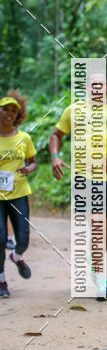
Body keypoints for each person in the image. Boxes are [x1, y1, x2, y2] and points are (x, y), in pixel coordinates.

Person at [49, 76, 107, 300]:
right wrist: (54, 156)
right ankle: (101, 279)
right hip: (85, 177)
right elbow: (56, 135)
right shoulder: (74, 110)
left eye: (102, 85)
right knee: (98, 222)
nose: (98, 88)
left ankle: (93, 261)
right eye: (93, 85)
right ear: (87, 88)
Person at [0, 92, 37, 298]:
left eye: (14, 111)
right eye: (6, 109)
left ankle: (17, 255)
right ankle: (2, 280)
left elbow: (33, 162)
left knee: (23, 238)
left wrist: (28, 169)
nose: (9, 113)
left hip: (18, 193)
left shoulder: (24, 138)